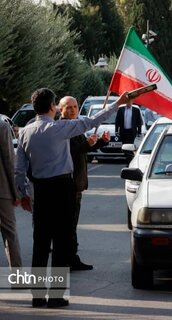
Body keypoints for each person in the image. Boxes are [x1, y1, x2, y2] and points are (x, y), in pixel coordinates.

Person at [15, 88, 130, 308]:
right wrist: (118, 103)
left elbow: (19, 170)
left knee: (40, 244)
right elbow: (93, 119)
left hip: (40, 190)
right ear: (52, 107)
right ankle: (56, 296)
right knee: (60, 243)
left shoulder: (25, 132)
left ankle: (38, 296)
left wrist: (23, 195)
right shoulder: (59, 128)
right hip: (62, 188)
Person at [58, 96, 110, 271]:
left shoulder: (75, 125)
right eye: (69, 107)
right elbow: (70, 152)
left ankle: (70, 257)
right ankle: (70, 258)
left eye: (75, 106)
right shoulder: (63, 128)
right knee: (69, 225)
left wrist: (102, 141)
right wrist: (86, 144)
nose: (73, 110)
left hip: (77, 183)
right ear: (60, 109)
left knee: (71, 224)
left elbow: (84, 147)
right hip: (68, 184)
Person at [0, 120, 22, 269]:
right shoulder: (2, 125)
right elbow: (9, 159)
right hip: (2, 189)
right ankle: (18, 277)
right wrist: (16, 192)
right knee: (9, 233)